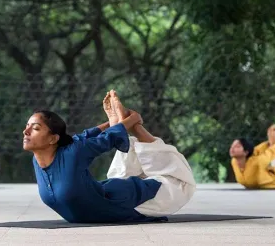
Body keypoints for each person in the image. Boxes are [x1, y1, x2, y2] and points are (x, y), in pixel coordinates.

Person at [23, 90, 196, 223]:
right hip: (109, 196)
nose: (26, 131)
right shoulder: (38, 160)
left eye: (35, 128)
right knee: (122, 170)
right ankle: (121, 122)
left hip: (132, 203)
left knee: (180, 185)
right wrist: (111, 122)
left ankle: (135, 125)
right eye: (27, 126)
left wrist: (130, 121)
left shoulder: (72, 154)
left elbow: (106, 139)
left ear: (53, 138)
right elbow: (83, 137)